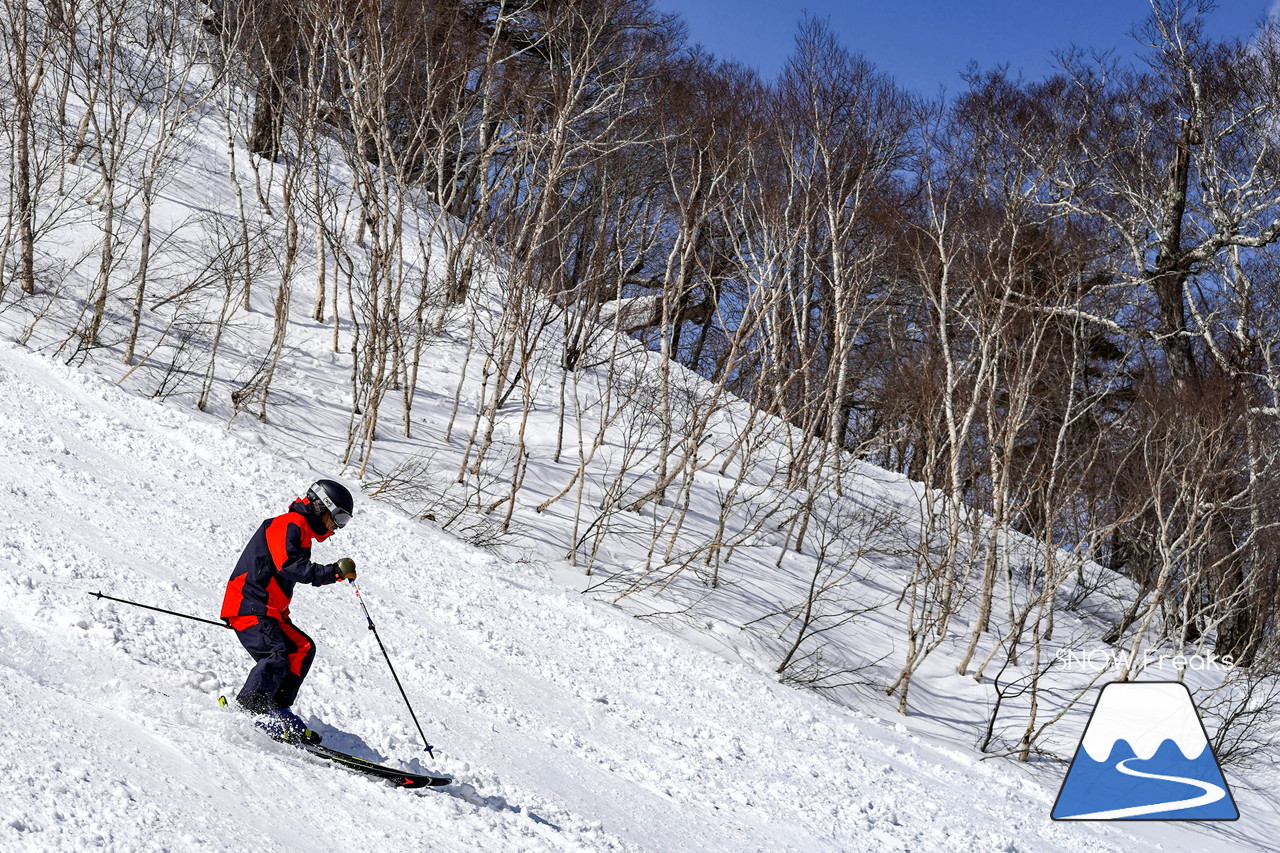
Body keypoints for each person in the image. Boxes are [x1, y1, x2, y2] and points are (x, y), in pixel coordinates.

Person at [220, 479, 357, 743]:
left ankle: (277, 707)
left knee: (302, 647)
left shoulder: (302, 532)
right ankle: (250, 712)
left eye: (344, 521)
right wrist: (333, 572)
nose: (337, 527)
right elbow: (290, 566)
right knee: (277, 653)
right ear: (321, 506)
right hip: (249, 604)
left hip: (268, 610)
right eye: (338, 517)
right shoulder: (288, 524)